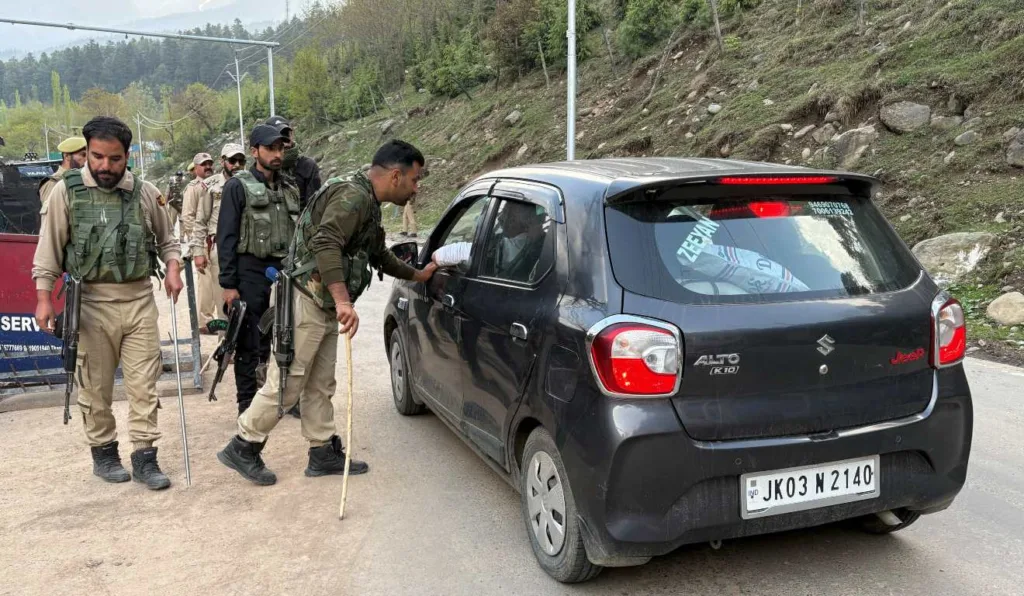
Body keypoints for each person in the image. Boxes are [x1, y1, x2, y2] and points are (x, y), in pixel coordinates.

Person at [216, 140, 438, 486]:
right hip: (307, 298)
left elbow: (378, 253)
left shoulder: (366, 200)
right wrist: (343, 301)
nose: (417, 187)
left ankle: (321, 451)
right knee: (287, 383)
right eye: (415, 179)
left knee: (320, 384)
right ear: (396, 175)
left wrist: (419, 275)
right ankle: (243, 444)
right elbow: (326, 242)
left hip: (323, 302)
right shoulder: (353, 196)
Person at [31, 116, 183, 490]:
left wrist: (174, 268)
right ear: (87, 153)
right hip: (91, 304)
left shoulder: (146, 192)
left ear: (127, 156)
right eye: (96, 157)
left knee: (144, 383)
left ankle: (145, 458)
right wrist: (43, 299)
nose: (104, 166)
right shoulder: (65, 193)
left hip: (138, 300)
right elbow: (47, 251)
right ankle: (104, 454)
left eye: (114, 159)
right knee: (95, 387)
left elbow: (168, 240)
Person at [216, 125, 301, 416]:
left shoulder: (289, 187)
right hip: (250, 272)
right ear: (255, 151)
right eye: (270, 149)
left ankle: (287, 398)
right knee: (250, 342)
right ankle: (247, 405)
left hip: (285, 272)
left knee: (288, 337)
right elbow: (226, 237)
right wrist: (229, 285)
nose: (277, 155)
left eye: (281, 149)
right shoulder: (237, 187)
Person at [191, 144, 246, 331]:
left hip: (247, 247)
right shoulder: (211, 186)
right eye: (232, 161)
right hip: (220, 248)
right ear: (223, 162)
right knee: (224, 298)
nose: (237, 165)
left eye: (241, 161)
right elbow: (200, 221)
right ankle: (226, 347)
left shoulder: (253, 183)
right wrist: (198, 251)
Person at [265, 116, 322, 209]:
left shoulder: (307, 166)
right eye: (279, 137)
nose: (285, 142)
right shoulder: (263, 167)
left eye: (286, 135)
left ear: (292, 135)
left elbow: (314, 207)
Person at [39, 136, 87, 206]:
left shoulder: (83, 178)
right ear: (67, 156)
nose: (87, 159)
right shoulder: (53, 182)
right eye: (83, 155)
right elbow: (52, 215)